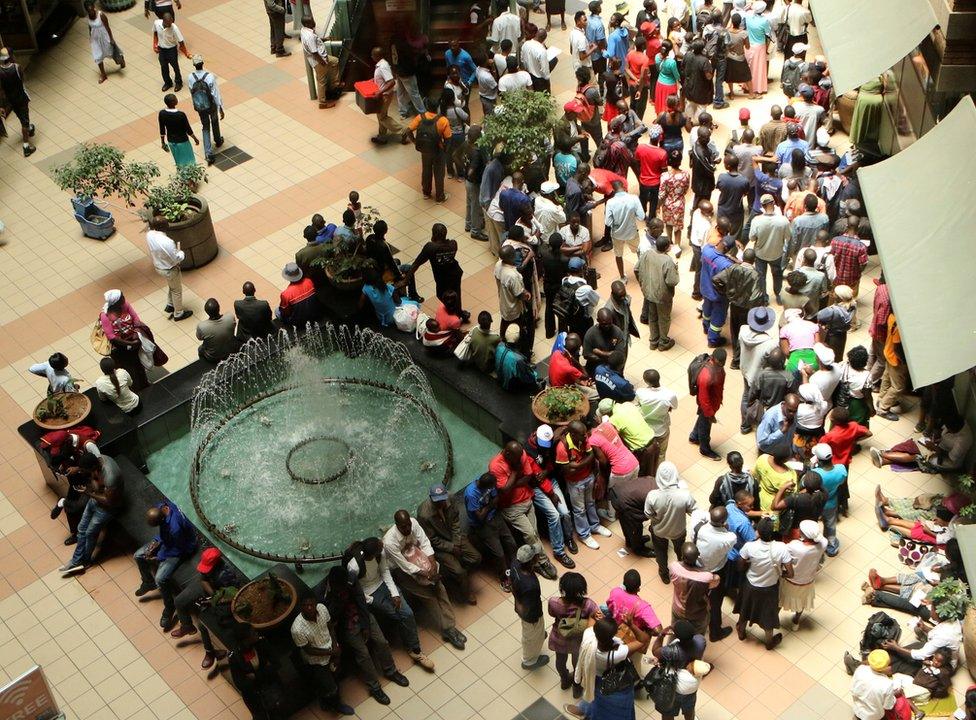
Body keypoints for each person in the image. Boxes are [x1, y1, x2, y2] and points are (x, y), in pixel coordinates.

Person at [321, 566, 409, 706]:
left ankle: (390, 671)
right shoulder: (325, 594)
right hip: (346, 625)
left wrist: (365, 625)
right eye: (341, 586)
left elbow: (361, 601)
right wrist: (338, 598)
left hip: (362, 616)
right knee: (363, 654)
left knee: (381, 642)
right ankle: (374, 687)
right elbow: (331, 616)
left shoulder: (350, 579)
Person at [345, 538, 435, 672]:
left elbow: (385, 573)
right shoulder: (354, 566)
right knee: (397, 615)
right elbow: (354, 590)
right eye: (380, 549)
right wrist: (371, 600)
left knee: (407, 613)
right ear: (372, 554)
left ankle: (415, 650)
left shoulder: (380, 555)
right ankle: (409, 644)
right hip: (369, 594)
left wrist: (395, 594)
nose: (383, 549)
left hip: (383, 585)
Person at [383, 509, 467, 650]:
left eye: (408, 524)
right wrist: (427, 575)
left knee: (440, 589)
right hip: (402, 570)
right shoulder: (389, 542)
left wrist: (433, 566)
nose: (408, 528)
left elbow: (425, 542)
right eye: (404, 527)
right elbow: (405, 566)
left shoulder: (413, 523)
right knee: (430, 597)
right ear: (397, 525)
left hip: (416, 556)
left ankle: (450, 627)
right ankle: (446, 629)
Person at [490, 441, 558, 580]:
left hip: (527, 500)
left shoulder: (520, 454)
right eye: (516, 459)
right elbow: (504, 489)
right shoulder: (496, 466)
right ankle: (542, 562)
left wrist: (513, 482)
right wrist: (515, 472)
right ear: (507, 453)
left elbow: (528, 476)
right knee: (530, 534)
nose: (520, 460)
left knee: (534, 534)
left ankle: (534, 561)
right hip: (511, 507)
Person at [565, 616, 651, 719]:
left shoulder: (588, 636)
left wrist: (595, 615)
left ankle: (585, 710)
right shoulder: (617, 654)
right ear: (614, 634)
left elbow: (592, 618)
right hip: (616, 684)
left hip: (595, 678)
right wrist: (631, 624)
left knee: (595, 698)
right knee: (617, 707)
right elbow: (643, 641)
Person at [133, 500, 198, 630]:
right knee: (138, 555)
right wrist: (155, 543)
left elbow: (178, 549)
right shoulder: (162, 507)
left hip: (180, 548)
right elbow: (162, 533)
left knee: (160, 579)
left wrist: (158, 557)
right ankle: (147, 582)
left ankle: (169, 606)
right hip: (166, 538)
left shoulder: (175, 529)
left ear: (162, 519)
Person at [58, 452, 123, 575]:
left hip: (107, 508)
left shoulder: (110, 476)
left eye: (85, 471)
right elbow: (96, 486)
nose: (83, 473)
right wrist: (89, 478)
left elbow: (109, 501)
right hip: (95, 499)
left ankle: (85, 561)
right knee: (81, 528)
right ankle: (76, 561)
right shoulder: (97, 462)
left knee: (90, 533)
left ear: (93, 468)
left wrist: (87, 492)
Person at [416, 483, 481, 605]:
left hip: (455, 538)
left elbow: (456, 521)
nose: (441, 503)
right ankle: (466, 592)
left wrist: (456, 542)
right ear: (431, 498)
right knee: (459, 571)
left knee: (476, 558)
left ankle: (462, 576)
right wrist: (451, 548)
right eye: (437, 501)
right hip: (440, 546)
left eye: (442, 500)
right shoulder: (424, 514)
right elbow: (432, 539)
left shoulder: (450, 498)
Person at [734, 517, 793, 649]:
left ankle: (741, 633)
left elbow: (740, 565)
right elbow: (790, 573)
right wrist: (780, 574)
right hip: (769, 588)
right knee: (768, 617)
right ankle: (768, 642)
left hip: (750, 586)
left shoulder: (749, 546)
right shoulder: (781, 548)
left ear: (758, 532)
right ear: (772, 532)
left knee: (745, 611)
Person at [290, 596, 355, 715]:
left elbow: (330, 627)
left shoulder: (322, 608)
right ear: (301, 607)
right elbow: (309, 651)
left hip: (331, 648)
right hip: (317, 660)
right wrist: (332, 652)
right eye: (306, 605)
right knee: (330, 686)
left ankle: (326, 698)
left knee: (335, 675)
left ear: (316, 603)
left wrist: (335, 646)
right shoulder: (297, 629)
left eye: (312, 604)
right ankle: (337, 705)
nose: (309, 608)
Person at [556, 421, 612, 549]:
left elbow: (591, 455)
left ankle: (595, 526)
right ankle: (584, 535)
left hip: (588, 477)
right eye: (582, 434)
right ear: (573, 434)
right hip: (575, 483)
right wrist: (582, 464)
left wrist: (577, 465)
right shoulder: (562, 447)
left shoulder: (583, 439)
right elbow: (566, 470)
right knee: (579, 510)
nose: (586, 436)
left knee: (591, 503)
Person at [645, 461, 696, 584]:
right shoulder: (684, 494)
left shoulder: (652, 495)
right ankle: (682, 570)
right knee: (680, 551)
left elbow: (647, 513)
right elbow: (694, 510)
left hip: (659, 531)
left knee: (661, 553)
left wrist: (657, 519)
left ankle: (664, 574)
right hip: (678, 530)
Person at [549, 572, 599, 694]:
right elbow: (596, 617)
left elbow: (551, 613)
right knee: (577, 663)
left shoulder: (554, 602)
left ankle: (564, 680)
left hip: (560, 637)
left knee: (560, 660)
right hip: (578, 640)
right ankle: (577, 688)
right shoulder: (588, 605)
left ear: (563, 589)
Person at [872, 416, 973, 475]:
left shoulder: (963, 440)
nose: (948, 431)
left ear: (956, 430)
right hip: (938, 446)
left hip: (946, 460)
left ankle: (883, 454)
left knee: (917, 456)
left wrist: (935, 448)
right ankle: (883, 461)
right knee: (913, 445)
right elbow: (943, 432)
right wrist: (936, 439)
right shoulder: (955, 422)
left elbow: (951, 457)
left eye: (950, 430)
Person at [100, 290, 153, 391]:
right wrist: (130, 344)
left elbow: (135, 318)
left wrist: (136, 334)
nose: (124, 298)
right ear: (116, 302)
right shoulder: (105, 316)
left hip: (133, 339)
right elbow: (111, 336)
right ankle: (134, 387)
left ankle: (144, 383)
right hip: (120, 347)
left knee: (138, 363)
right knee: (127, 368)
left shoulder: (125, 305)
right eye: (122, 297)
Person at [781, 519, 827, 631]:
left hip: (791, 579)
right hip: (808, 579)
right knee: (801, 602)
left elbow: (783, 552)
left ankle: (774, 620)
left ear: (803, 535)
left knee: (780, 600)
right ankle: (796, 622)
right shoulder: (823, 543)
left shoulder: (796, 546)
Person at [510, 544, 551, 670]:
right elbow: (528, 608)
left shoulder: (515, 564)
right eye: (536, 556)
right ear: (531, 561)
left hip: (521, 604)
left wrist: (517, 603)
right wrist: (532, 620)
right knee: (530, 636)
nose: (538, 556)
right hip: (531, 615)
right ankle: (529, 661)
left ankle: (537, 634)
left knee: (535, 632)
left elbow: (512, 586)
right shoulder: (530, 585)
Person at [636, 234, 679, 351]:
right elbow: (672, 281)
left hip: (648, 293)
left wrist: (642, 284)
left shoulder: (647, 254)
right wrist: (676, 269)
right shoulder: (668, 261)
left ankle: (653, 341)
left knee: (652, 316)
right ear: (666, 247)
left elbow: (636, 269)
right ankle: (663, 342)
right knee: (664, 318)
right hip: (662, 297)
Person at [669, 541, 720, 637]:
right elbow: (716, 580)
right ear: (698, 556)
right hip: (697, 614)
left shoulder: (673, 568)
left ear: (682, 556)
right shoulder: (705, 577)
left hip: (678, 610)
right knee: (697, 638)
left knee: (675, 632)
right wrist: (703, 569)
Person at [408, 223, 464, 308]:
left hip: (442, 277)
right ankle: (458, 312)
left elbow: (416, 264)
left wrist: (405, 280)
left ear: (435, 234)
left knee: (442, 295)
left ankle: (452, 314)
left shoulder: (430, 247)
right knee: (455, 293)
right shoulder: (453, 244)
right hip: (455, 273)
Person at [407, 97, 451, 202]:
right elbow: (448, 139)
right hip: (438, 150)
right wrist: (445, 150)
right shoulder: (443, 120)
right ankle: (440, 196)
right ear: (438, 107)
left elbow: (408, 131)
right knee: (439, 173)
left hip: (425, 150)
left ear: (427, 106)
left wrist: (415, 142)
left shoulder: (420, 117)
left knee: (426, 170)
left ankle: (426, 193)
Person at [749, 194, 790, 304]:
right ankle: (778, 294)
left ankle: (764, 298)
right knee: (777, 275)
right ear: (774, 203)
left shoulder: (756, 220)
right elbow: (788, 237)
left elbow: (752, 238)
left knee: (761, 276)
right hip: (777, 254)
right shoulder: (783, 220)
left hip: (760, 254)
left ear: (762, 205)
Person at [604, 179, 645, 283]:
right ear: (624, 187)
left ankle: (622, 277)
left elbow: (608, 222)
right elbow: (641, 217)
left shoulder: (610, 202)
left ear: (613, 190)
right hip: (632, 232)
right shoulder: (634, 198)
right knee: (639, 252)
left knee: (618, 255)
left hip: (617, 234)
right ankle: (642, 272)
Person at [187, 55, 224, 165]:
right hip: (211, 105)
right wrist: (220, 107)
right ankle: (217, 140)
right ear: (202, 63)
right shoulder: (210, 76)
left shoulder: (190, 77)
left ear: (194, 65)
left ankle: (208, 152)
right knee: (214, 121)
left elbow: (191, 91)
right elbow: (215, 93)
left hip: (200, 106)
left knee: (205, 126)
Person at [691, 348, 727, 460]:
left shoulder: (717, 367)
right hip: (708, 407)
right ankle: (705, 449)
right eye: (721, 362)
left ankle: (694, 436)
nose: (723, 364)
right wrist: (710, 414)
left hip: (712, 403)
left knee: (702, 420)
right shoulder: (706, 376)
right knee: (705, 427)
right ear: (713, 358)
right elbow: (703, 398)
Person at [811, 443, 846, 557]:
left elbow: (807, 483)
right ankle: (831, 547)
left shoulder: (816, 474)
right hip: (831, 502)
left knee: (812, 523)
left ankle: (813, 545)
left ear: (819, 460)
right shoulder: (841, 469)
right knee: (830, 525)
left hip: (816, 503)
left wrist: (812, 467)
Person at [0, 48, 36, 156]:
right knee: (24, 119)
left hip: (11, 100)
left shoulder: (0, 71)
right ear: (10, 56)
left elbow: (1, 90)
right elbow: (22, 80)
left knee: (20, 115)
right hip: (21, 97)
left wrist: (1, 105)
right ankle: (26, 146)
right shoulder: (17, 67)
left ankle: (29, 127)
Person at [636, 369, 677, 461]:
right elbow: (674, 406)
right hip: (661, 429)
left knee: (645, 454)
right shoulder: (669, 395)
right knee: (661, 453)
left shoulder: (640, 392)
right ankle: (658, 473)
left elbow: (638, 404)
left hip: (645, 429)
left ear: (646, 382)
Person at [301, 17, 341, 109]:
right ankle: (322, 103)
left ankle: (334, 84)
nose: (314, 22)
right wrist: (322, 62)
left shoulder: (304, 30)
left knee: (335, 61)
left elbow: (315, 42)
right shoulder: (310, 36)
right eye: (312, 21)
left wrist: (323, 39)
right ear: (307, 24)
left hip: (323, 58)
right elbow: (314, 52)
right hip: (319, 61)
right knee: (321, 81)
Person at [850, 649, 899, 720]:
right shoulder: (887, 684)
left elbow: (853, 689)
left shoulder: (860, 669)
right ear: (885, 667)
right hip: (873, 716)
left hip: (858, 710)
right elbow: (888, 706)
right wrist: (894, 695)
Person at [85, 1, 123, 84]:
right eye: (89, 11)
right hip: (95, 39)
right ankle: (103, 74)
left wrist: (111, 39)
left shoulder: (101, 15)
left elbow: (108, 27)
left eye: (92, 9)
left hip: (104, 36)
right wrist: (90, 38)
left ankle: (121, 60)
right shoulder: (88, 18)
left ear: (94, 7)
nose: (91, 11)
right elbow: (90, 28)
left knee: (111, 52)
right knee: (98, 56)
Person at [158, 92, 198, 168]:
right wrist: (195, 139)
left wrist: (163, 142)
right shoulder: (180, 115)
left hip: (171, 142)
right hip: (183, 141)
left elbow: (162, 129)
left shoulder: (162, 113)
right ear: (173, 102)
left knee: (179, 161)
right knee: (189, 160)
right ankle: (192, 176)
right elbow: (188, 129)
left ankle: (182, 175)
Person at [583, 309, 627, 376]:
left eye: (609, 323)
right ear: (598, 320)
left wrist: (600, 353)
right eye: (604, 324)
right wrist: (610, 355)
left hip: (613, 369)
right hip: (594, 368)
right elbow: (586, 355)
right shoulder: (590, 333)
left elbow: (619, 354)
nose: (607, 326)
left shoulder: (617, 332)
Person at [152, 13, 189, 92]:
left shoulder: (174, 28)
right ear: (163, 21)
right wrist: (155, 44)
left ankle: (179, 83)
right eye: (168, 23)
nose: (170, 25)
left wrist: (186, 53)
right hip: (161, 49)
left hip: (171, 49)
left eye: (171, 22)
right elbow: (155, 33)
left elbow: (181, 41)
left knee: (175, 67)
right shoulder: (157, 23)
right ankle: (168, 83)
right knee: (164, 67)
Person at [277, 262, 321, 327]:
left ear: (287, 277)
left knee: (277, 311)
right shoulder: (309, 281)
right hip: (315, 315)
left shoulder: (286, 294)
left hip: (298, 322)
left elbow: (285, 312)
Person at [195, 298, 236, 362]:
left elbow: (199, 338)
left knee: (200, 349)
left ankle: (204, 365)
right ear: (219, 308)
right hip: (231, 351)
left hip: (213, 357)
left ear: (206, 312)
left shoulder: (202, 326)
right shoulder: (230, 317)